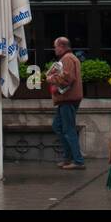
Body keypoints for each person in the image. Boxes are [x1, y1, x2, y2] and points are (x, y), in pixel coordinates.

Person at [47, 37, 85, 170]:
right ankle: (68, 157)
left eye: (55, 46)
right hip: (66, 99)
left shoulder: (67, 59)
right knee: (58, 126)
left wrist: (51, 79)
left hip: (68, 99)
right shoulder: (69, 58)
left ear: (62, 46)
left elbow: (68, 78)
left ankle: (78, 160)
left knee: (68, 129)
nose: (54, 49)